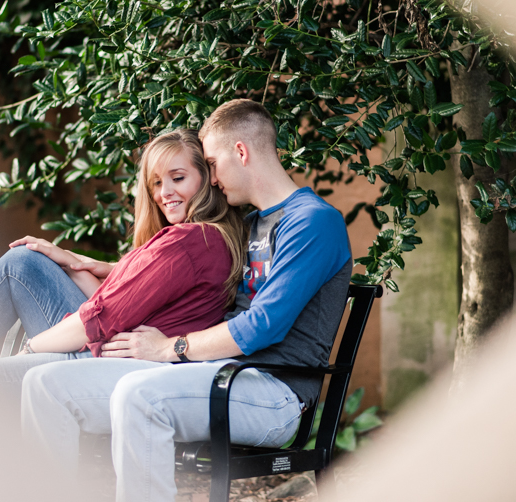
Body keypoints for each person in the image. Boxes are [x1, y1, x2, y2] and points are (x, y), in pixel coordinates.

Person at [20, 99, 353, 502]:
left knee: (138, 395)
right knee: (45, 384)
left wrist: (169, 348)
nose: (211, 179)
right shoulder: (249, 225)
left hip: (274, 393)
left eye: (211, 164)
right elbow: (174, 270)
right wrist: (97, 265)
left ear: (241, 152)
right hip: (215, 374)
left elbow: (265, 324)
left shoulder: (313, 221)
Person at [0, 129, 246, 388]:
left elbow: (99, 319)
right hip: (117, 354)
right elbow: (117, 302)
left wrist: (30, 349)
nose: (164, 192)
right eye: (156, 183)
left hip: (102, 362)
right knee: (24, 261)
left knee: (17, 268)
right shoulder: (211, 239)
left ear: (206, 180)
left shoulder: (188, 242)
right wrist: (69, 260)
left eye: (177, 178)